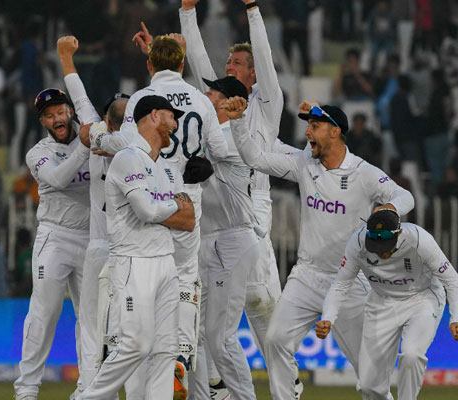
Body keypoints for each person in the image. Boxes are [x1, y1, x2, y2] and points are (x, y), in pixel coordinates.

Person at [224, 96, 414, 399]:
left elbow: (405, 196)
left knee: (370, 380)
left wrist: (387, 209)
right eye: (308, 127)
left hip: (349, 283)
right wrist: (236, 121)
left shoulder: (363, 173)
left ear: (335, 131)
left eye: (314, 126)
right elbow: (254, 158)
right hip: (307, 276)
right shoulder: (304, 164)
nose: (307, 133)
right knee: (276, 340)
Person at [91, 33, 229, 398]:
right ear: (182, 64)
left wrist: (100, 140)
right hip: (184, 202)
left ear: (150, 66)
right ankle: (182, 355)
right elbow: (219, 150)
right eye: (169, 117)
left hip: (157, 202)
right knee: (184, 284)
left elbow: (125, 141)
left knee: (144, 323)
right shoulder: (199, 98)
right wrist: (194, 177)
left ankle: (152, 356)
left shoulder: (139, 100)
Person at [178, 2, 285, 396]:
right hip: (216, 208)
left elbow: (267, 60)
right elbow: (200, 68)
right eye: (229, 60)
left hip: (253, 206)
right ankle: (219, 386)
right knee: (209, 321)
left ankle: (283, 386)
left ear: (253, 72)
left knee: (260, 305)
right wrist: (187, 13)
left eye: (237, 62)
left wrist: (253, 9)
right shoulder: (216, 107)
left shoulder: (267, 103)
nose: (228, 66)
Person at [77, 95, 195, 399]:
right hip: (134, 263)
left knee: (166, 351)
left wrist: (164, 208)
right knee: (135, 345)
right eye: (171, 117)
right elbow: (146, 211)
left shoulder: (169, 167)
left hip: (166, 261)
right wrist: (173, 206)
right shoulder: (128, 157)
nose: (175, 124)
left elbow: (189, 219)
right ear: (154, 116)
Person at [316, 209, 458, 400]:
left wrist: (455, 318)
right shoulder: (358, 242)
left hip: (421, 298)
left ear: (399, 232)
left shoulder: (419, 240)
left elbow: (452, 280)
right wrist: (328, 318)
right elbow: (341, 284)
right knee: (369, 386)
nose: (382, 252)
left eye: (386, 245)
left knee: (412, 354)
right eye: (376, 245)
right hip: (381, 301)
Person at [56, 34, 129, 398]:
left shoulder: (97, 131)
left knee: (92, 328)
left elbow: (79, 95)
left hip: (103, 248)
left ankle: (89, 390)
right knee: (122, 332)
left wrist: (65, 56)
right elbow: (79, 96)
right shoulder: (143, 144)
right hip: (130, 253)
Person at [13, 87, 92, 400]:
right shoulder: (38, 152)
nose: (56, 118)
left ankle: (88, 387)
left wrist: (90, 144)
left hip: (91, 238)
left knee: (91, 317)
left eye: (60, 111)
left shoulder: (92, 138)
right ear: (43, 121)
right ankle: (27, 389)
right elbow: (58, 179)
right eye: (48, 115)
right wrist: (86, 148)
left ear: (70, 111)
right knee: (44, 312)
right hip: (55, 236)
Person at [196, 76, 259, 399]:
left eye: (210, 92)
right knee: (194, 333)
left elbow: (200, 167)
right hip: (207, 239)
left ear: (228, 101)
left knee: (221, 336)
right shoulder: (208, 132)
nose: (204, 95)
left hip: (232, 239)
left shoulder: (235, 135)